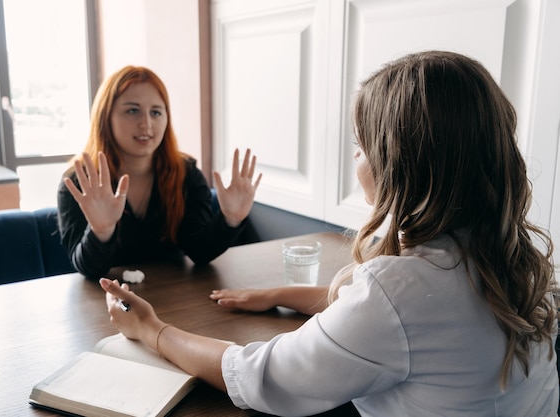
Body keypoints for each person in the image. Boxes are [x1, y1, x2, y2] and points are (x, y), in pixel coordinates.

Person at [99, 51, 559, 416]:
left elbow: (257, 375)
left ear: (402, 164)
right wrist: (284, 292)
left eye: (359, 149)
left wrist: (152, 329)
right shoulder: (517, 259)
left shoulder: (399, 290)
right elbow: (404, 321)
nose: (146, 123)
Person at [57, 65, 262, 279]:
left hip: (173, 301)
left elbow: (199, 252)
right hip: (107, 302)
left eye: (156, 112)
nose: (146, 124)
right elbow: (88, 269)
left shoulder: (186, 175)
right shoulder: (79, 183)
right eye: (132, 110)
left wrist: (231, 219)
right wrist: (101, 231)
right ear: (105, 117)